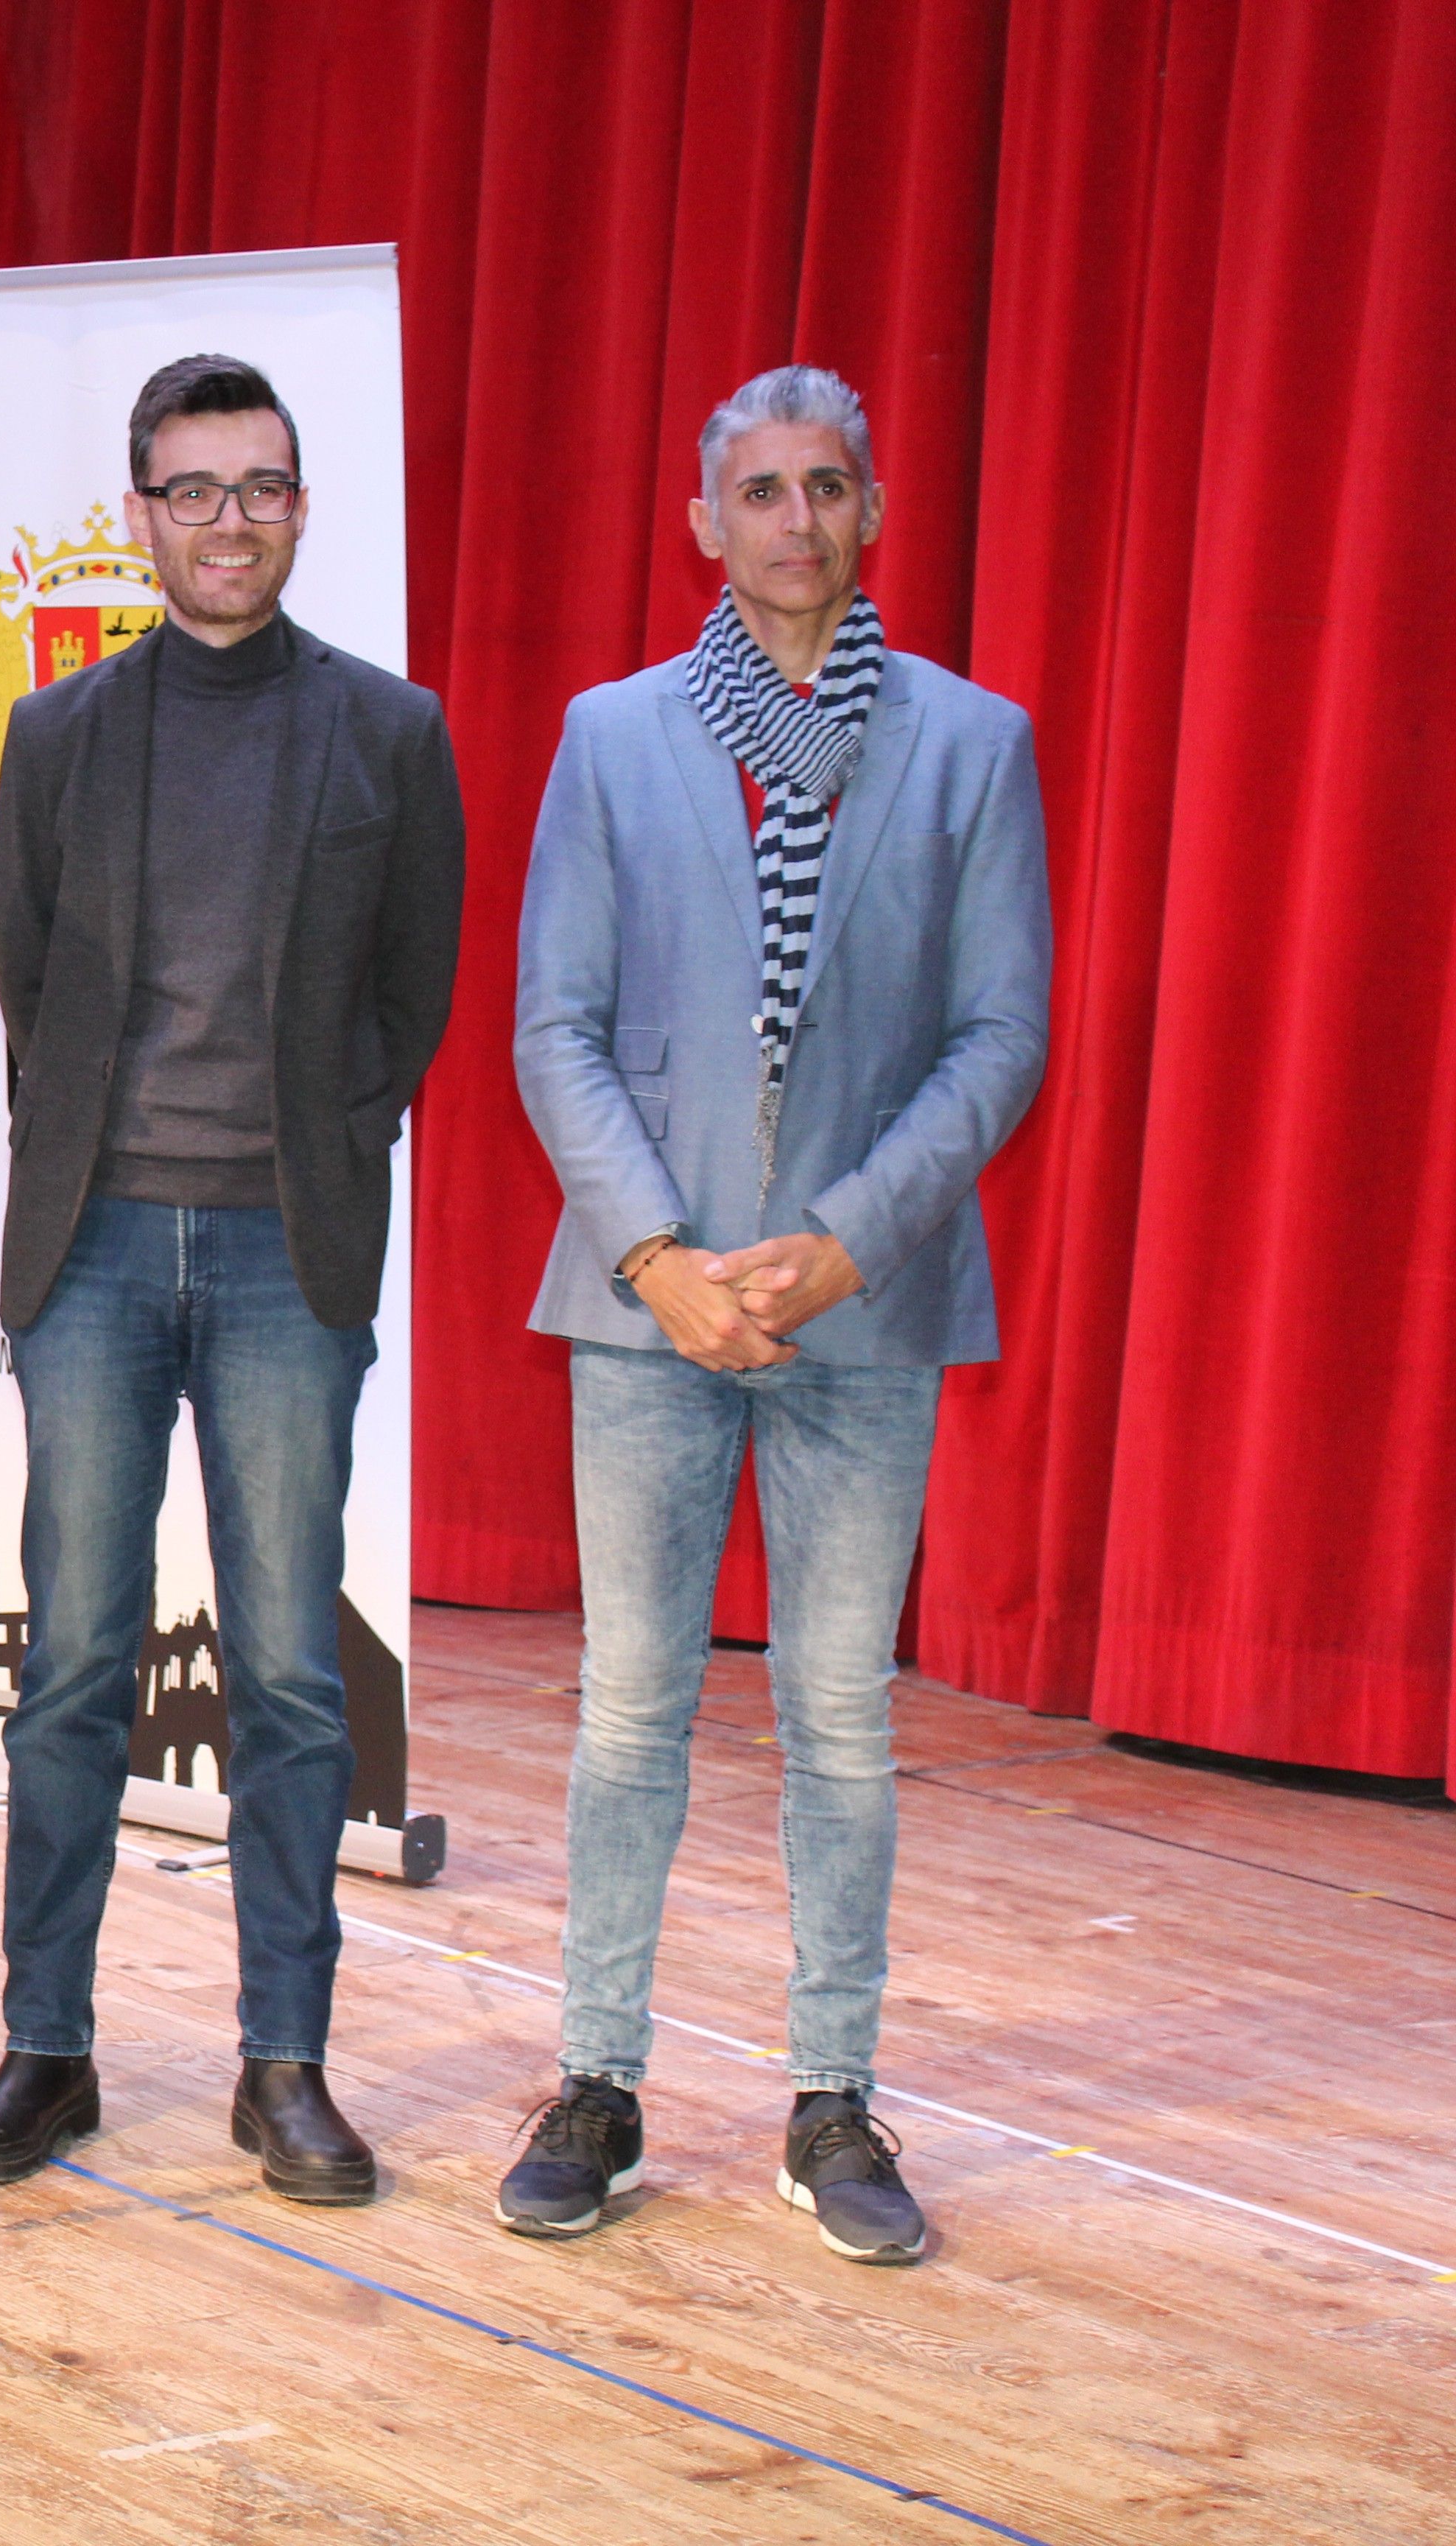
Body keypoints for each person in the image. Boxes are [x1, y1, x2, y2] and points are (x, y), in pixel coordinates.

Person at [496, 366, 1047, 2263]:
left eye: (827, 487)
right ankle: (596, 2083)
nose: (795, 520)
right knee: (630, 1710)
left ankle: (834, 2101)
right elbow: (553, 1026)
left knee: (839, 1721)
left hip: (858, 1312)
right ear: (703, 523)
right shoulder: (615, 735)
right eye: (760, 489)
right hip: (649, 1308)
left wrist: (844, 1242)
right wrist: (658, 1257)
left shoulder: (972, 742)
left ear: (871, 512)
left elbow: (1001, 1036)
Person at [0, 355, 463, 2205]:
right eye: (195, 490)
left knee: (294, 1676)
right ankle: (48, 2049)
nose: (229, 521)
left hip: (282, 1255)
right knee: (73, 1661)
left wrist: (316, 1138)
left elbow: (415, 996)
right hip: (90, 1245)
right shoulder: (57, 733)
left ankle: (285, 2065)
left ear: (301, 508)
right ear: (142, 515)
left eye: (261, 487)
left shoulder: (390, 731)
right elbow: (32, 969)